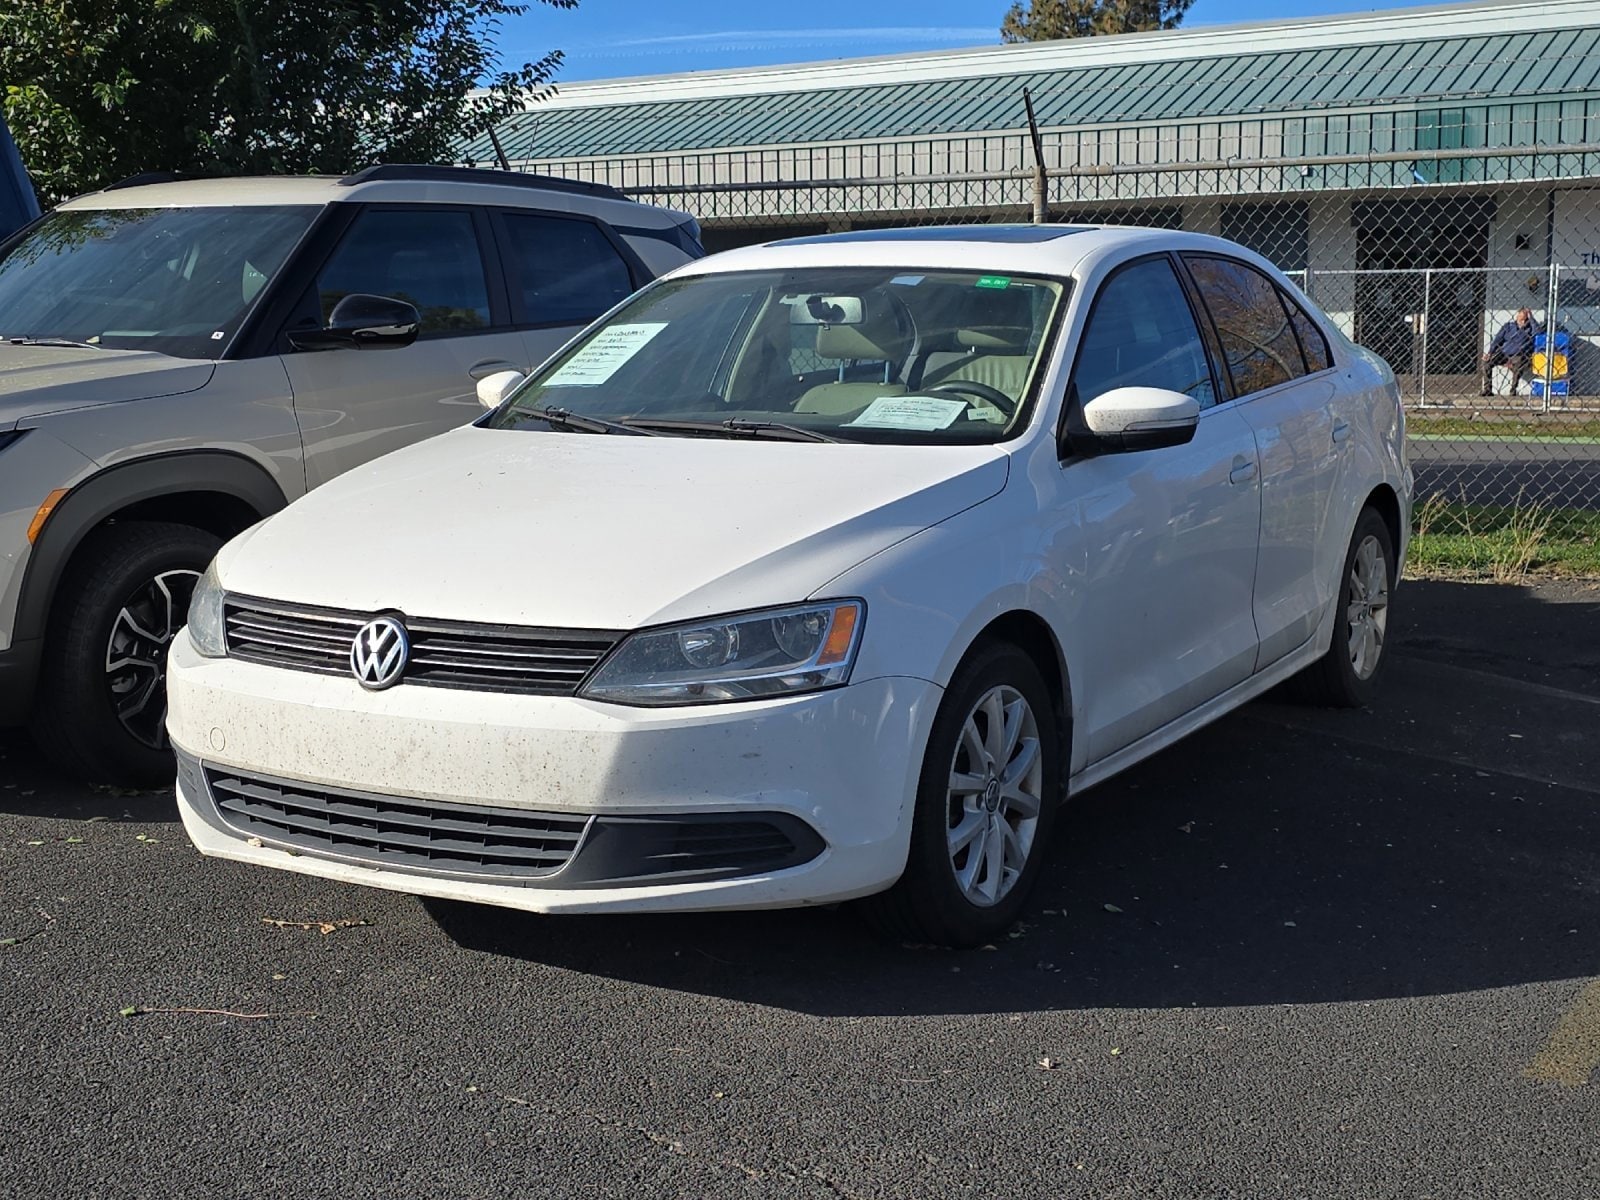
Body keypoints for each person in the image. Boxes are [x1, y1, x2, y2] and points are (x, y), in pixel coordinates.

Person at [1481, 308, 1541, 396]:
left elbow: (1538, 332)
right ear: (1517, 316)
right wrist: (1490, 353)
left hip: (1519, 355)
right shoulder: (1508, 326)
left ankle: (1513, 390)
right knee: (1486, 363)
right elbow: (1497, 340)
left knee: (1519, 364)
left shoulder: (1530, 329)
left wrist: (1531, 318)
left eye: (1525, 317)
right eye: (1521, 317)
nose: (1523, 320)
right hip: (1504, 353)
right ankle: (1487, 390)